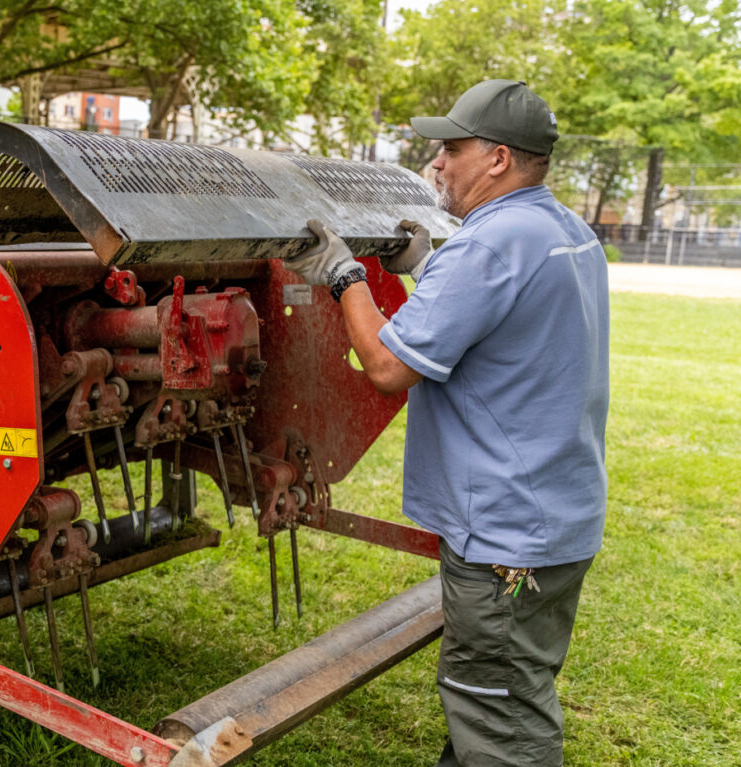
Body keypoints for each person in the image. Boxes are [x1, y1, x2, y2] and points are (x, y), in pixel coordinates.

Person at [284, 80, 608, 766]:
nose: (437, 162)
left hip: (502, 534)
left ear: (496, 159)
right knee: (505, 690)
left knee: (499, 717)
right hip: (557, 519)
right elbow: (505, 319)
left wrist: (345, 276)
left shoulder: (487, 248)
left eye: (452, 148)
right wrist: (429, 266)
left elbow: (387, 366)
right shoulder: (564, 231)